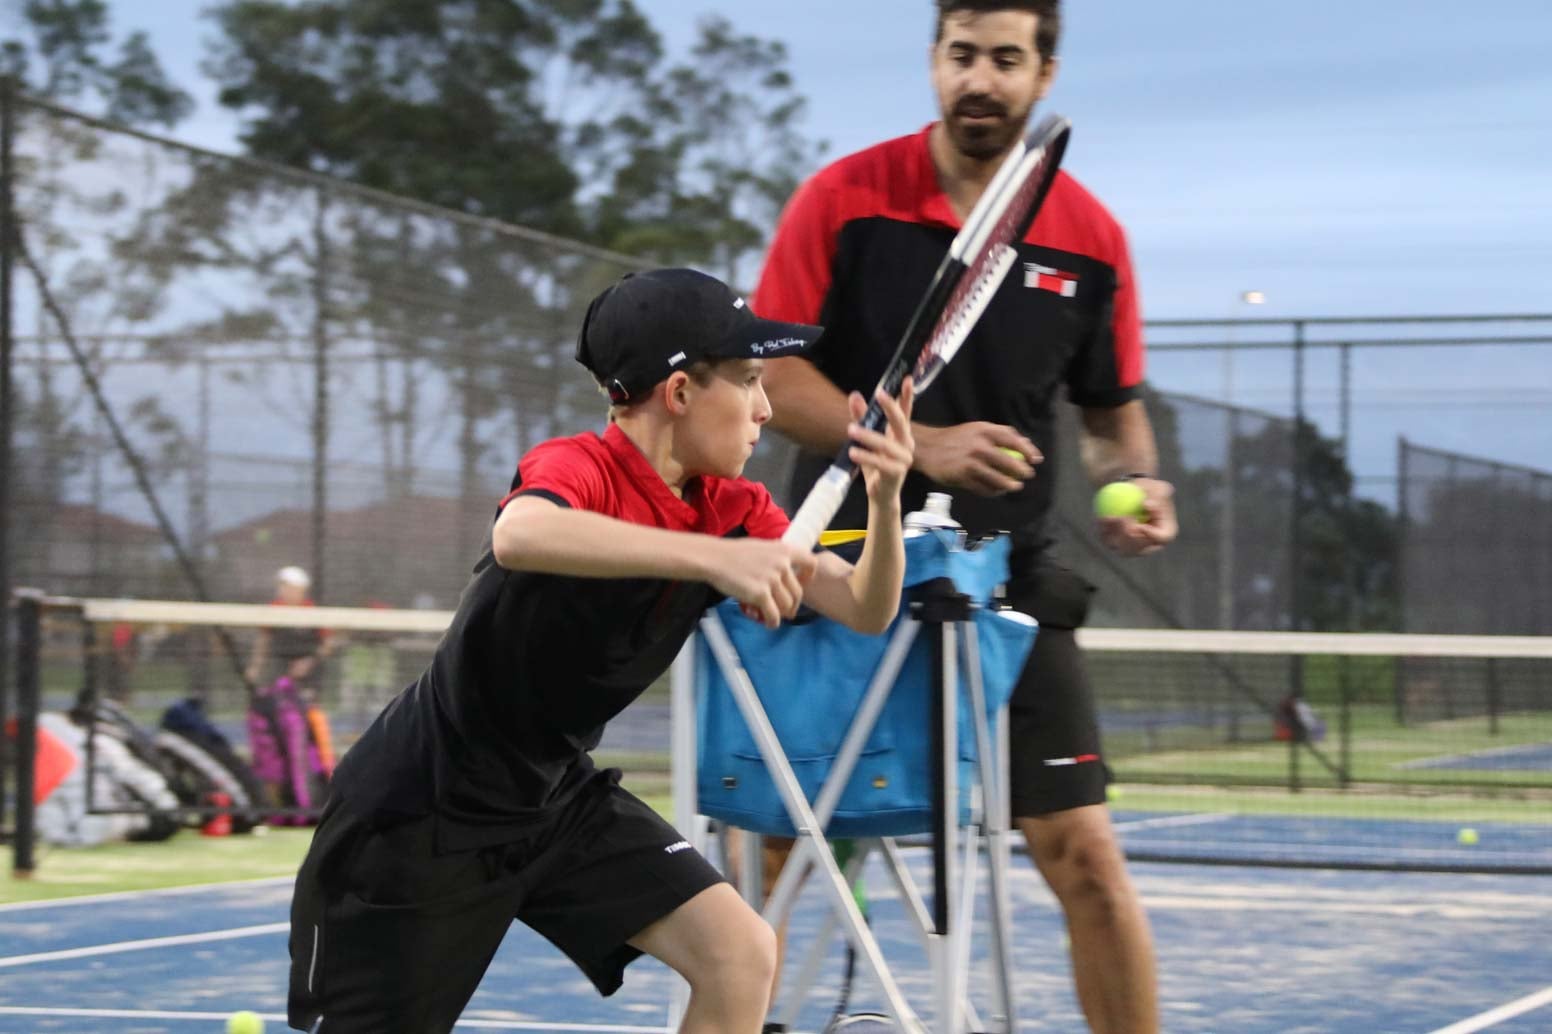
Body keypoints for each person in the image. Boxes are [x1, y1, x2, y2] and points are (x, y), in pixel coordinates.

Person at [285, 267, 918, 1034]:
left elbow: (865, 608)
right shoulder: (580, 467)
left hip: (555, 799)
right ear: (679, 392)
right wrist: (716, 559)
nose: (765, 409)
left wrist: (885, 500)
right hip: (422, 811)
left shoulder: (731, 506)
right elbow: (521, 533)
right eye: (750, 382)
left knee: (739, 953)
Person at [749, 3, 1177, 1032]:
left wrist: (1138, 482)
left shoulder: (1092, 237)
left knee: (1085, 855)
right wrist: (920, 446)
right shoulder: (843, 198)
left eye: (1005, 59)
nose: (979, 79)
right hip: (842, 561)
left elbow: (1111, 413)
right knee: (776, 847)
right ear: (935, 61)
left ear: (1043, 73)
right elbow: (775, 377)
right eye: (961, 55)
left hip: (1007, 580)